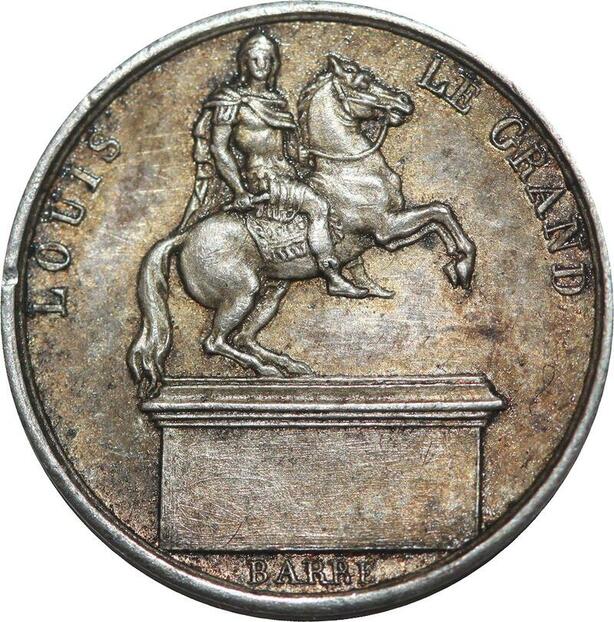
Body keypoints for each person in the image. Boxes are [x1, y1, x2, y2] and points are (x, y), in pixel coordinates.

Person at [180, 29, 369, 299]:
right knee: (318, 206)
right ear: (244, 63)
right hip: (262, 178)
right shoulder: (231, 102)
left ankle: (352, 271)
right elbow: (219, 149)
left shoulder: (275, 101)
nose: (262, 65)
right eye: (255, 59)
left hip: (287, 172)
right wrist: (239, 190)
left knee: (342, 204)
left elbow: (287, 148)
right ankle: (334, 278)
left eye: (267, 60)